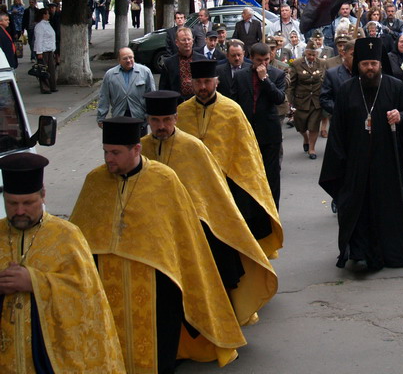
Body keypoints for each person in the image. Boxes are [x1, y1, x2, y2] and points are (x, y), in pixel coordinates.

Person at [70, 117, 246, 371]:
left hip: (157, 281)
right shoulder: (95, 181)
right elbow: (78, 237)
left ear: (136, 149)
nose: (109, 159)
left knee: (159, 349)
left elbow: (184, 235)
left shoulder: (164, 179)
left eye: (116, 153)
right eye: (106, 152)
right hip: (108, 283)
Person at [141, 91, 277, 325]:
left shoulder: (193, 147)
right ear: (148, 120)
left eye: (166, 120)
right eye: (155, 120)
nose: (161, 126)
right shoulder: (142, 149)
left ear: (175, 119)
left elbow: (213, 192)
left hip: (193, 223)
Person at [0, 153, 125, 372]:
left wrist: (34, 282)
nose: (19, 211)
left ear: (43, 196)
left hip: (50, 359)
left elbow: (86, 296)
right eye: (12, 203)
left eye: (28, 203)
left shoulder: (67, 236)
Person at [319, 38, 403, 271]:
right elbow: (337, 130)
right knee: (359, 208)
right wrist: (339, 163)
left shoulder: (395, 87)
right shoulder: (346, 90)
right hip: (355, 162)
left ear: (380, 64)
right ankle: (360, 253)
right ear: (358, 64)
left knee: (390, 209)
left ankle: (395, 253)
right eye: (365, 64)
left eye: (374, 64)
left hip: (388, 161)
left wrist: (402, 117)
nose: (370, 68)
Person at [177, 60, 283, 258]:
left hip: (227, 186)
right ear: (191, 83)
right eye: (198, 82)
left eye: (207, 81)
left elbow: (247, 154)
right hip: (193, 189)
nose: (202, 87)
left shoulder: (232, 111)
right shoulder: (181, 113)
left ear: (216, 82)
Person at [231, 43, 286, 209]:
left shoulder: (277, 74)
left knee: (271, 176)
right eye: (259, 60)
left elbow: (279, 98)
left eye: (266, 60)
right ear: (251, 59)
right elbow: (233, 103)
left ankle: (272, 211)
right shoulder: (240, 76)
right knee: (248, 174)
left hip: (269, 134)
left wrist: (265, 80)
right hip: (247, 133)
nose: (263, 64)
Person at [97, 47, 156, 135]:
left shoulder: (145, 72)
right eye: (125, 58)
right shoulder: (110, 75)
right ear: (119, 60)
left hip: (139, 117)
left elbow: (152, 95)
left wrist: (152, 115)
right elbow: (104, 97)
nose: (128, 60)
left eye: (130, 57)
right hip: (119, 116)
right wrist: (101, 117)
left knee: (139, 142)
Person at [287, 45, 326, 159]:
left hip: (316, 100)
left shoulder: (322, 63)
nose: (312, 57)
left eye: (314, 55)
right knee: (301, 125)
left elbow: (324, 80)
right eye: (309, 54)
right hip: (301, 100)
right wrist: (289, 101)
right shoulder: (297, 64)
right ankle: (306, 138)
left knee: (314, 125)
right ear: (305, 53)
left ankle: (312, 149)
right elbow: (292, 84)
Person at [159, 26, 197, 101]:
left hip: (197, 103)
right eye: (183, 40)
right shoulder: (168, 63)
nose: (187, 42)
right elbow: (163, 89)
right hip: (176, 103)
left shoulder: (201, 60)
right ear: (177, 42)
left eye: (189, 39)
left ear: (192, 41)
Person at [33, 8, 57, 94]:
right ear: (44, 15)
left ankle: (52, 86)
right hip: (43, 51)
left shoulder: (47, 24)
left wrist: (53, 49)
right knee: (43, 69)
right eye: (47, 14)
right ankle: (45, 88)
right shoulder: (40, 26)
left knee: (51, 69)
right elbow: (38, 40)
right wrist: (39, 52)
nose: (49, 15)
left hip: (50, 49)